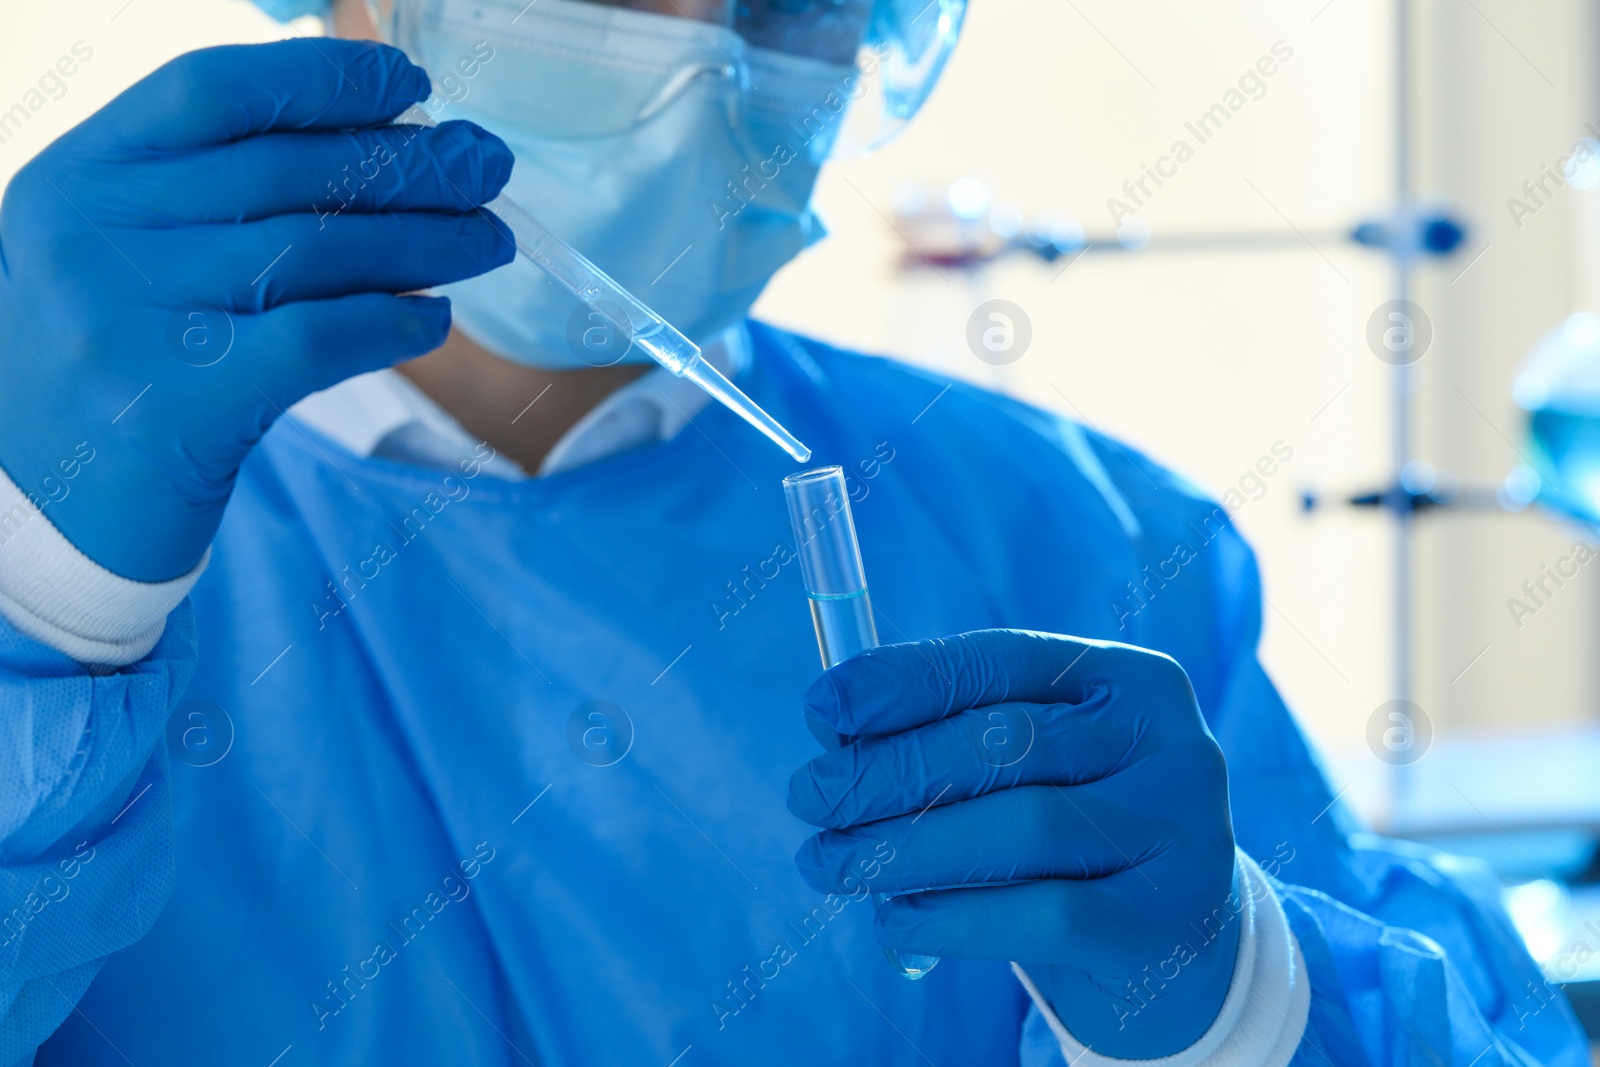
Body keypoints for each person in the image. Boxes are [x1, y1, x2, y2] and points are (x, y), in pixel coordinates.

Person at [0, 0, 1585, 1064]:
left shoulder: (1077, 535)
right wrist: (42, 601)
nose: (703, 65)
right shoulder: (61, 497)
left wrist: (1238, 1004)